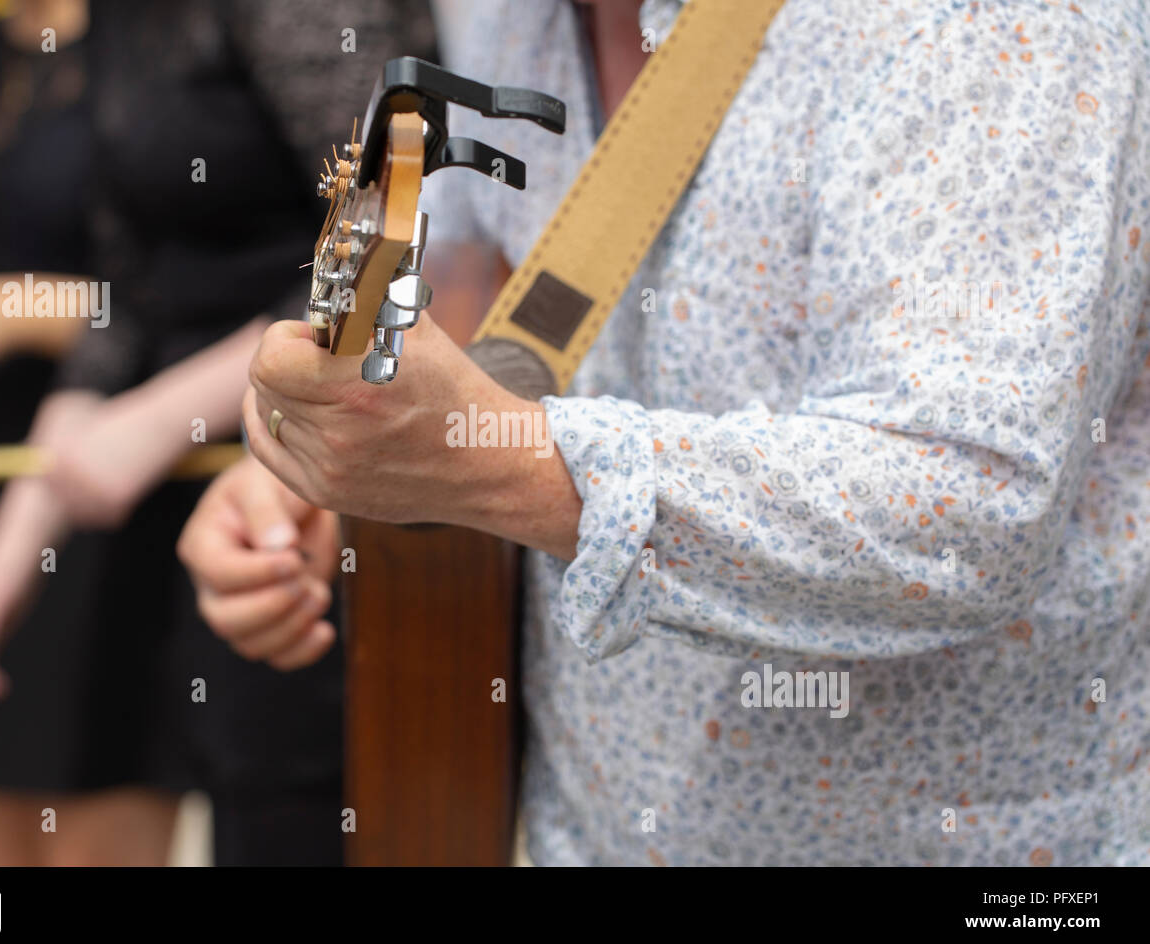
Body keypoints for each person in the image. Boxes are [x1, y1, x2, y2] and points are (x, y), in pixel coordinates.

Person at [181, 0, 1150, 865]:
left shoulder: (995, 21)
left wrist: (485, 463)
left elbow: (962, 506)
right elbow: (489, 286)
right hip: (590, 821)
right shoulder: (516, 22)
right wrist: (339, 456)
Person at [0, 0, 435, 865]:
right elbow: (132, 295)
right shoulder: (122, 24)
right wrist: (18, 541)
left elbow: (399, 235)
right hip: (214, 505)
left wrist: (161, 417)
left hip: (325, 491)